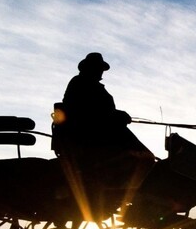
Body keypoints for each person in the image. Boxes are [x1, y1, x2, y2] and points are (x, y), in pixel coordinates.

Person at [53, 52, 155, 197]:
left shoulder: (89, 84)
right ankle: (125, 189)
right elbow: (91, 112)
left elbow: (100, 111)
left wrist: (117, 116)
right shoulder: (82, 83)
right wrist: (118, 116)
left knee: (142, 154)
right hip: (94, 137)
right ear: (90, 68)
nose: (101, 71)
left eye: (101, 68)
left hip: (102, 133)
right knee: (145, 157)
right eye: (98, 68)